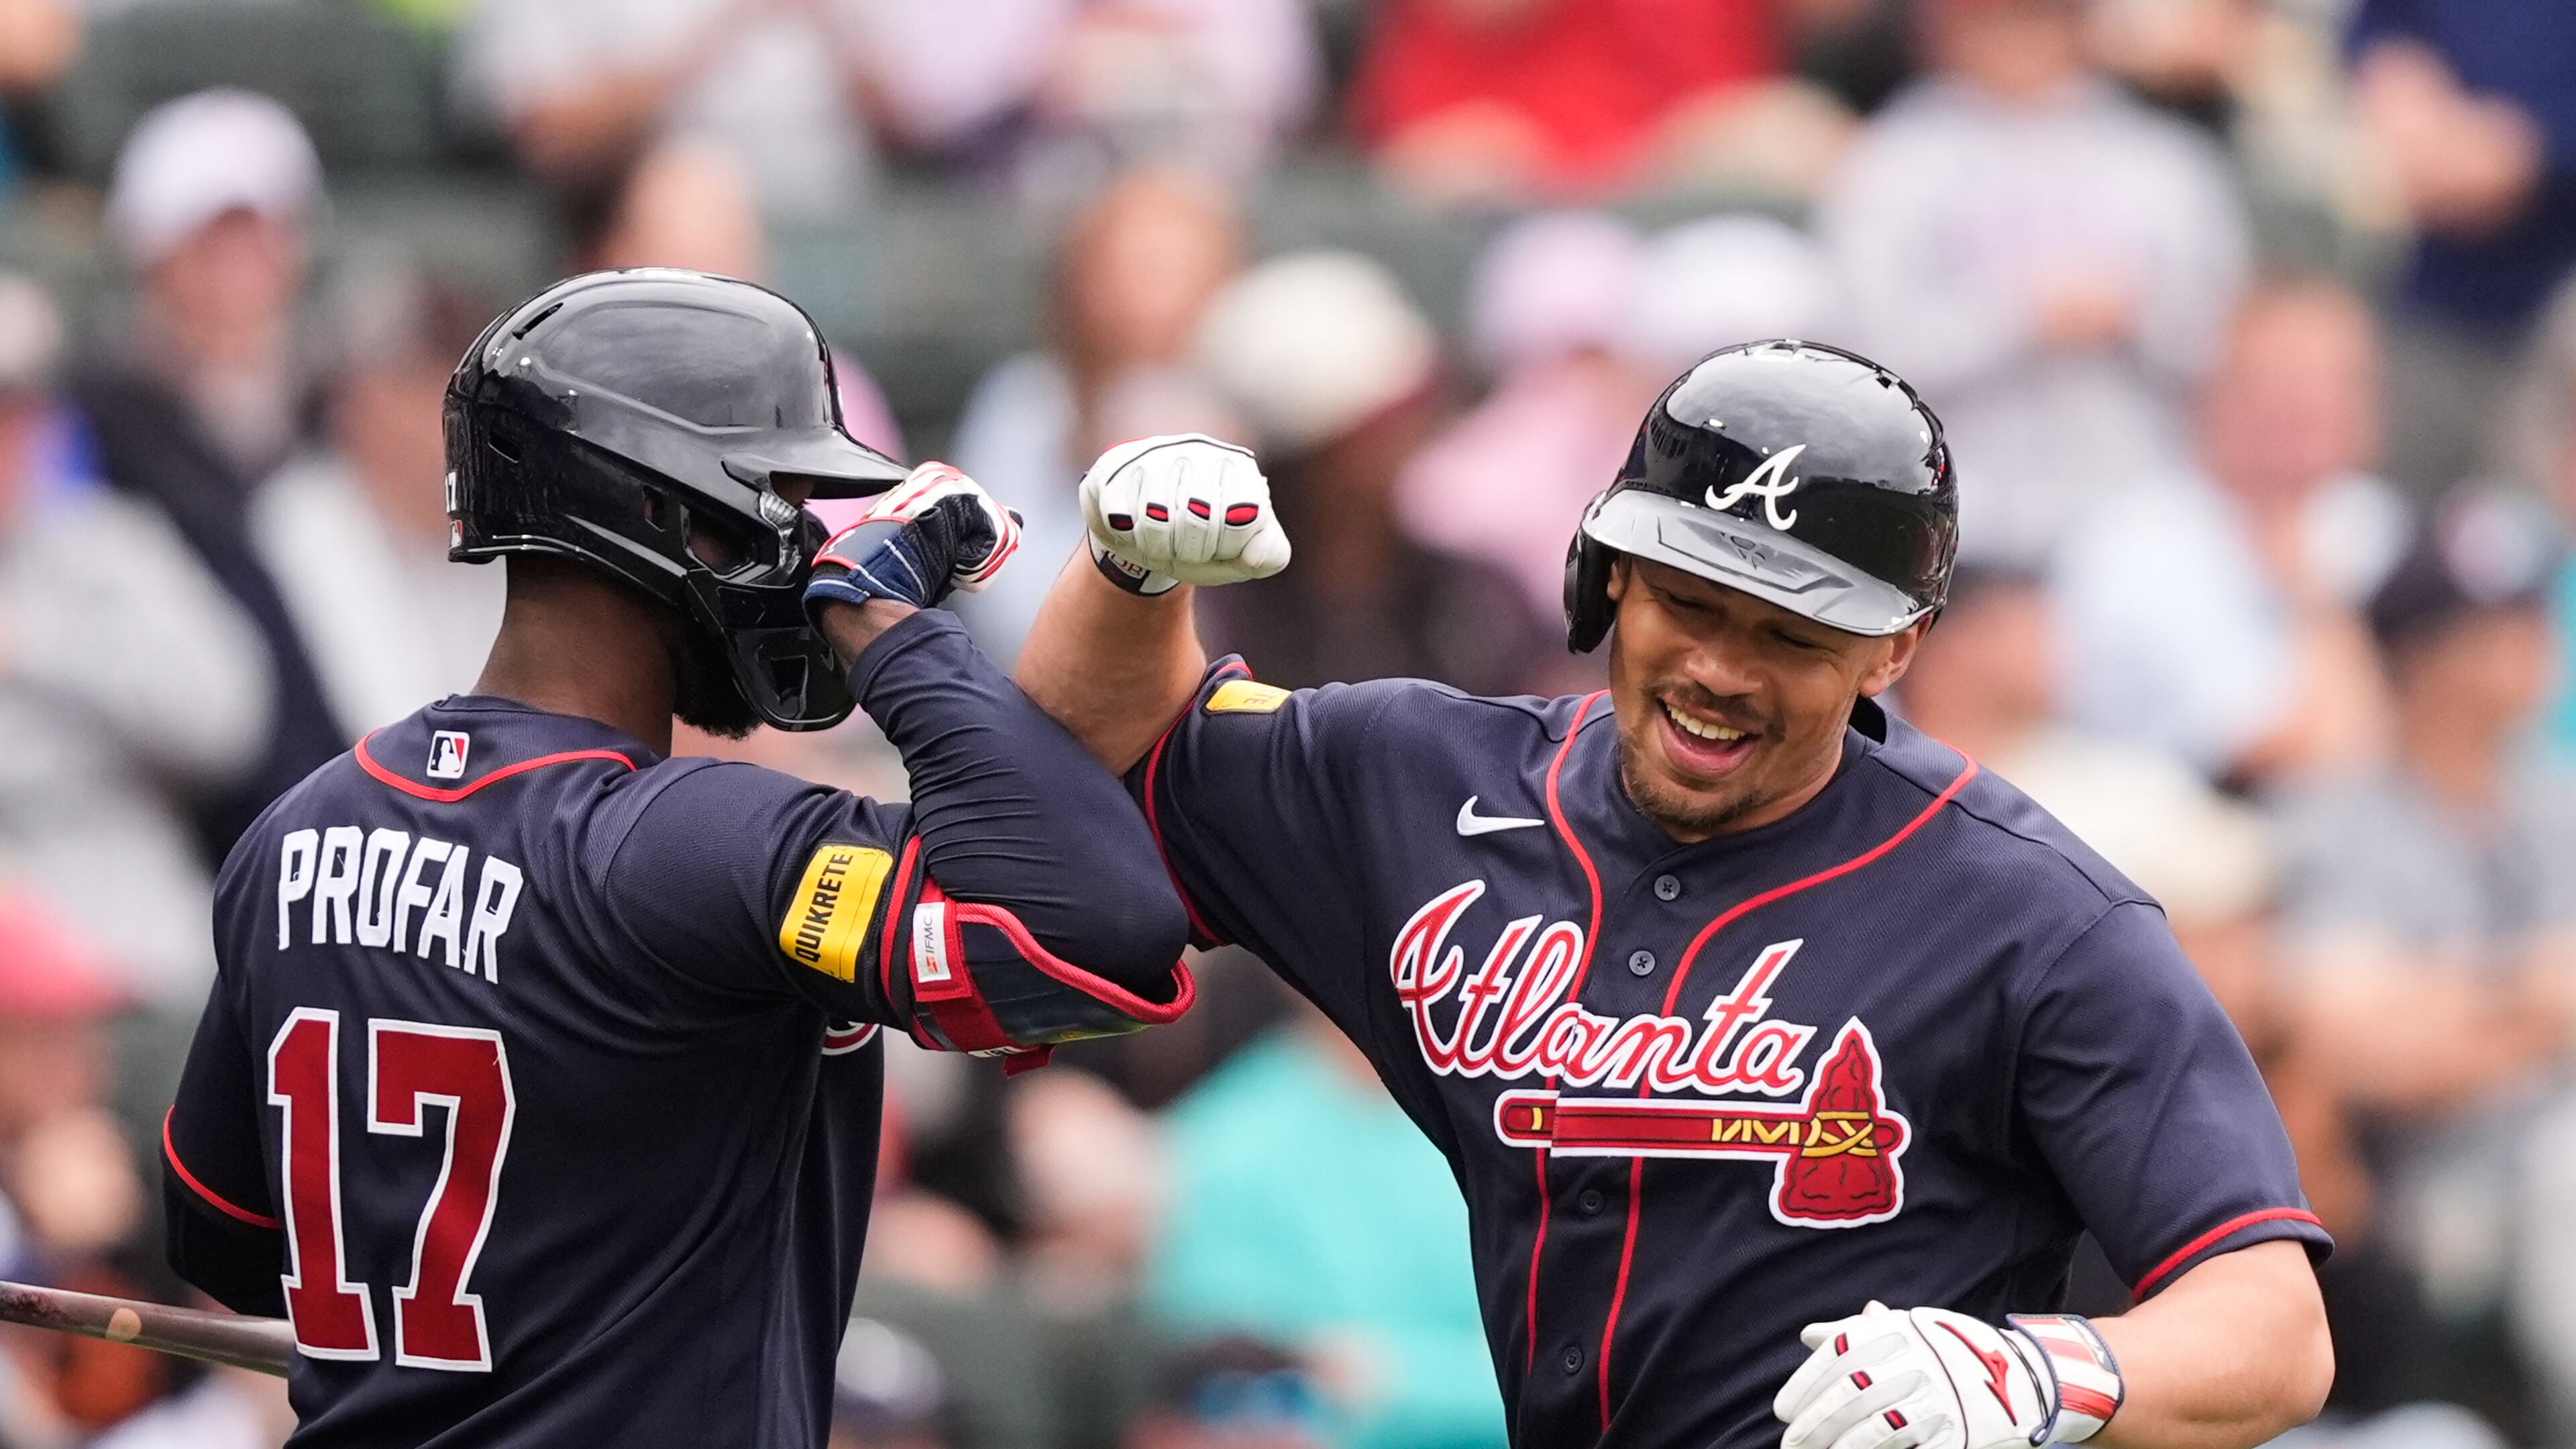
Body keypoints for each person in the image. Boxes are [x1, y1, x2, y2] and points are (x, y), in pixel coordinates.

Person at [1016, 341, 2333, 1449]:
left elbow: (2272, 1328)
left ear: (1895, 644)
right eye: (1689, 602)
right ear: (1608, 576)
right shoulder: (1420, 785)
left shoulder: (2035, 915)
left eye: (1788, 634)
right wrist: (1128, 577)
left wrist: (2044, 1374)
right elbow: (1088, 758)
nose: (1718, 668)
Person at [157, 270, 1193, 1445]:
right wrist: (897, 635)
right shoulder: (684, 846)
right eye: (788, 507)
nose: (805, 557)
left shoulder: (297, 833)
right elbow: (1098, 918)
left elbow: (228, 1238)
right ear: (669, 514)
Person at [1817, 0, 2248, 566]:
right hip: (1945, 510)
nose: (2021, 40)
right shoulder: (1893, 162)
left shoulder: (2164, 160)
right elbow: (1858, 361)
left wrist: (2137, 316)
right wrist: (2014, 317)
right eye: (1997, 21)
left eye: (2040, 18)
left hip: (2137, 506)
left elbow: (2230, 346)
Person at [70, 89, 347, 853]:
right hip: (179, 792)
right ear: (151, 251)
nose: (241, 265)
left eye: (262, 233)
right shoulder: (88, 413)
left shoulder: (350, 402)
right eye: (210, 237)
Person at [2051, 280, 2408, 785]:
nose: (2312, 404)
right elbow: (2307, 755)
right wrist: (2316, 603)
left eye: (2339, 381)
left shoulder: (2379, 522)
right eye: (2283, 381)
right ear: (2210, 394)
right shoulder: (2138, 545)